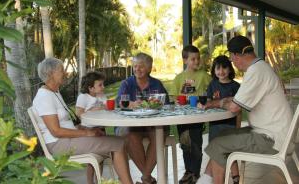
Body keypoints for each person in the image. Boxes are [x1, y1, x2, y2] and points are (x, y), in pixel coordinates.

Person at [198, 35, 292, 184]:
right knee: (221, 137)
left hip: (271, 139)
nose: (233, 63)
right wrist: (223, 102)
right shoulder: (262, 67)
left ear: (236, 55)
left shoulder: (255, 71)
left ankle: (206, 181)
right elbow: (238, 100)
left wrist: (216, 103)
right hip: (275, 133)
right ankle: (204, 181)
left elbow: (234, 107)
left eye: (232, 59)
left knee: (218, 144)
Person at [33, 57, 133, 184]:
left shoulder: (54, 92)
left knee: (120, 142)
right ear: (50, 74)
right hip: (59, 144)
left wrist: (88, 129)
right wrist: (87, 133)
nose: (65, 73)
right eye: (61, 70)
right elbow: (56, 131)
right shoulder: (44, 96)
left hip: (69, 139)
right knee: (118, 144)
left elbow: (68, 124)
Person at [116, 52, 169, 184]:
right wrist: (131, 104)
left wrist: (156, 103)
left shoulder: (156, 84)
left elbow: (165, 102)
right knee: (129, 137)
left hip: (152, 123)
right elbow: (120, 102)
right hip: (133, 125)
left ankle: (145, 178)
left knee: (159, 135)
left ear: (149, 68)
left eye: (141, 66)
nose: (137, 69)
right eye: (135, 66)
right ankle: (148, 178)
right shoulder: (127, 84)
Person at [169, 45, 211, 184]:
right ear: (185, 60)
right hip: (182, 117)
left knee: (196, 144)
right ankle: (189, 172)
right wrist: (176, 100)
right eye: (193, 59)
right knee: (185, 144)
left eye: (198, 59)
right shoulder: (179, 78)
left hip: (197, 117)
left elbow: (213, 87)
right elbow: (173, 96)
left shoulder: (203, 76)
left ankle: (194, 173)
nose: (196, 61)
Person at [196, 55, 240, 184]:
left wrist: (238, 127)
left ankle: (236, 177)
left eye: (224, 68)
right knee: (216, 153)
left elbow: (239, 110)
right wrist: (203, 104)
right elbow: (208, 101)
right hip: (215, 126)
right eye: (218, 68)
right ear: (214, 70)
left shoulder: (235, 86)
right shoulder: (213, 84)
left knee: (230, 153)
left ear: (230, 69)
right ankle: (215, 178)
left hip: (230, 126)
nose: (221, 71)